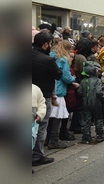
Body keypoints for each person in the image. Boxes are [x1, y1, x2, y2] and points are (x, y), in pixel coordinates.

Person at [32, 31, 62, 166]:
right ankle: (37, 155)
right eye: (50, 44)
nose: (51, 46)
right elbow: (58, 74)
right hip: (43, 97)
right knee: (40, 126)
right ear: (45, 45)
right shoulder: (48, 60)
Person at [48, 40, 79, 148]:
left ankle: (47, 138)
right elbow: (65, 76)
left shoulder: (51, 56)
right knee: (57, 115)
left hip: (50, 87)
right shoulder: (63, 59)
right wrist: (72, 79)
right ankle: (54, 140)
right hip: (59, 89)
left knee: (49, 115)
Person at [77, 61, 104, 144]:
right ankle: (100, 135)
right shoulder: (97, 81)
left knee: (86, 120)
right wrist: (103, 98)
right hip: (96, 102)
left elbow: (79, 92)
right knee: (98, 118)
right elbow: (98, 92)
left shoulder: (83, 81)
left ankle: (86, 137)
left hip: (85, 103)